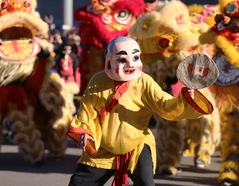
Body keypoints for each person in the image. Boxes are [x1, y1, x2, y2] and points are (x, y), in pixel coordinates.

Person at [67, 36, 213, 186]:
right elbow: (86, 112)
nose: (130, 64)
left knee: (146, 183)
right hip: (102, 148)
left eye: (135, 57)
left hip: (137, 145)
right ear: (109, 61)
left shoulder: (145, 81)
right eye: (122, 60)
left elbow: (165, 104)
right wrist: (85, 133)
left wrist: (185, 98)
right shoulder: (98, 81)